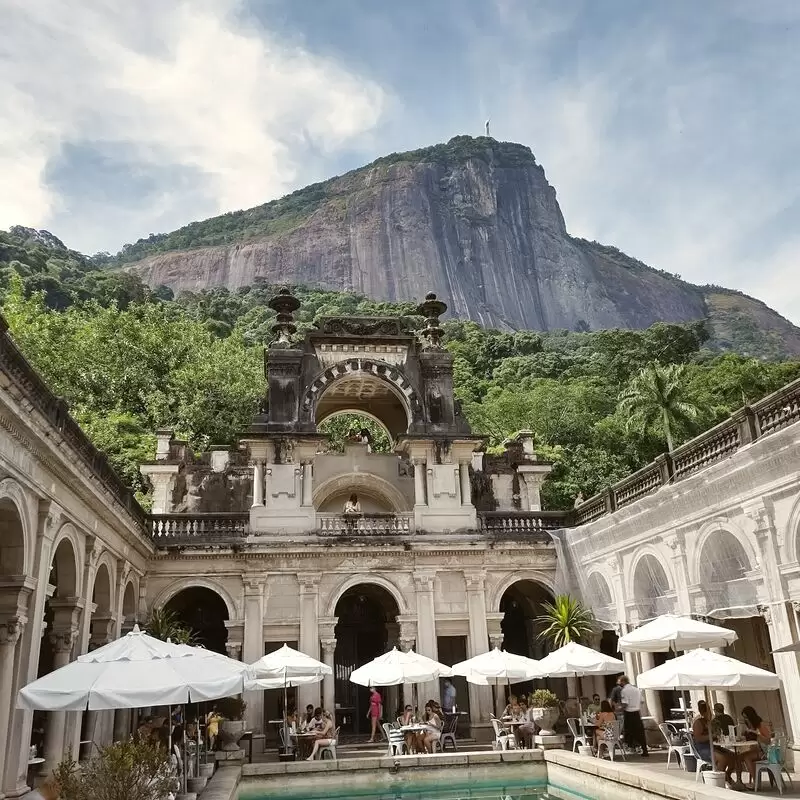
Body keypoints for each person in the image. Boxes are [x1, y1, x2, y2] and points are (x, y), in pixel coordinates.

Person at [692, 701, 736, 786]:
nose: (711, 713)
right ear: (704, 712)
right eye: (709, 711)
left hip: (713, 746)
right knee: (722, 758)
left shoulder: (710, 722)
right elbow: (698, 738)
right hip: (702, 748)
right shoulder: (698, 723)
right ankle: (719, 781)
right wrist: (711, 736)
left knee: (733, 756)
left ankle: (727, 776)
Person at [740, 705, 772, 787]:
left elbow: (768, 740)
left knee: (747, 757)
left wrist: (757, 734)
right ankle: (739, 781)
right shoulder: (750, 725)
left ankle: (756, 782)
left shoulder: (760, 724)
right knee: (739, 757)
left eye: (746, 718)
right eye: (744, 718)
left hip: (766, 752)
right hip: (757, 750)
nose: (745, 720)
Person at [619, 676, 648, 757]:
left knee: (628, 732)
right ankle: (644, 749)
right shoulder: (636, 689)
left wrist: (619, 709)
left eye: (620, 682)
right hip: (637, 713)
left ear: (623, 681)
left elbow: (625, 703)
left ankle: (630, 747)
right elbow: (642, 701)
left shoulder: (624, 691)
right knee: (640, 732)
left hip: (629, 713)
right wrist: (636, 704)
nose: (619, 684)